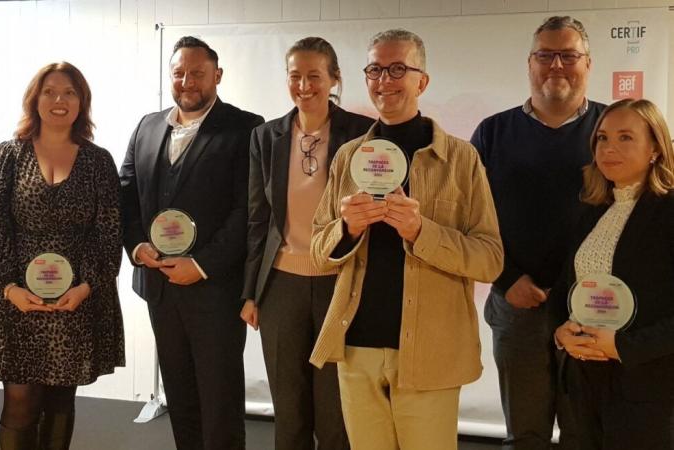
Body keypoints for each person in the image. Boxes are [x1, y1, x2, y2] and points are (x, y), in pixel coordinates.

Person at [308, 29, 503, 450]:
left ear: (422, 81)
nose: (385, 80)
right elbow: (319, 253)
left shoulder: (461, 159)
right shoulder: (348, 157)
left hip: (429, 350)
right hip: (356, 344)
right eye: (375, 69)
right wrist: (348, 228)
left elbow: (490, 260)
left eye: (398, 68)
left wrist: (422, 232)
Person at [119, 36, 263, 450]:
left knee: (220, 400)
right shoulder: (147, 125)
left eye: (197, 73)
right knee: (179, 394)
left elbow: (247, 212)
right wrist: (137, 247)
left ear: (217, 75)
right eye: (179, 72)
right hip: (159, 288)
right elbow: (126, 197)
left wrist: (200, 265)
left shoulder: (246, 127)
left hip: (215, 288)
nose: (187, 81)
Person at [470, 16, 606, 450]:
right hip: (517, 306)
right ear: (530, 63)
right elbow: (470, 219)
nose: (557, 65)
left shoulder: (614, 131)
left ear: (588, 63)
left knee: (586, 433)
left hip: (595, 306)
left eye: (569, 55)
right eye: (545, 55)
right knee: (525, 435)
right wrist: (506, 279)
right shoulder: (492, 133)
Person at [0, 62, 124, 450]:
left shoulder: (98, 161)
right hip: (16, 300)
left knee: (60, 400)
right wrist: (9, 288)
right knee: (20, 401)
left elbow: (107, 232)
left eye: (70, 93)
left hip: (73, 300)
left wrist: (87, 286)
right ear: (34, 99)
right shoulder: (6, 156)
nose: (60, 100)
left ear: (82, 102)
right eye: (50, 91)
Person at [240, 36, 373, 450]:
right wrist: (251, 293)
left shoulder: (362, 132)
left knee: (335, 414)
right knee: (290, 411)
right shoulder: (266, 136)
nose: (304, 85)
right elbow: (258, 221)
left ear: (334, 79)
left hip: (339, 284)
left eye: (314, 76)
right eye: (295, 76)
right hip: (280, 287)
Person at [550, 98, 674, 450]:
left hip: (647, 386)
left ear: (655, 149)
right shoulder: (592, 211)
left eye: (625, 138)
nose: (609, 148)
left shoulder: (669, 210)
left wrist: (622, 346)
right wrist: (561, 333)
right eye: (602, 138)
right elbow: (565, 290)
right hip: (582, 381)